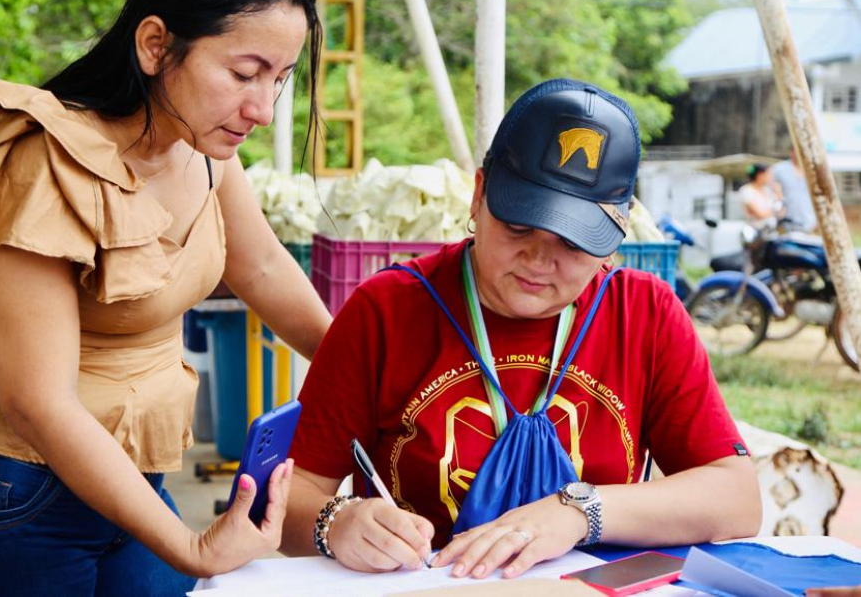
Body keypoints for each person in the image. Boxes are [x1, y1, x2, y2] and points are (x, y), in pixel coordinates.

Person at [0, 0, 332, 595]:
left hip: (133, 475)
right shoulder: (44, 164)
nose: (261, 109)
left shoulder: (202, 150)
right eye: (244, 73)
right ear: (155, 45)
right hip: (4, 485)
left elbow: (261, 269)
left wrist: (372, 376)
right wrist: (193, 547)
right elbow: (38, 402)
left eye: (279, 80)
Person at [280, 79, 761, 578]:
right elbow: (284, 498)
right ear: (479, 195)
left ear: (616, 236)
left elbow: (736, 497)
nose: (538, 260)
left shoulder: (645, 313)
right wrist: (335, 522)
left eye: (573, 243)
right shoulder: (386, 312)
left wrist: (580, 512)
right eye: (517, 226)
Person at [771, 146, 818, 233]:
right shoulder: (779, 169)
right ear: (791, 152)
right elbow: (771, 192)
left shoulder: (812, 170)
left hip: (809, 219)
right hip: (786, 219)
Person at [738, 163, 784, 230]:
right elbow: (760, 215)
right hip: (756, 232)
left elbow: (782, 213)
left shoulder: (767, 190)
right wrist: (775, 212)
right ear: (760, 175)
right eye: (768, 174)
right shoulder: (746, 190)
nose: (770, 178)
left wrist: (779, 196)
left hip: (771, 231)